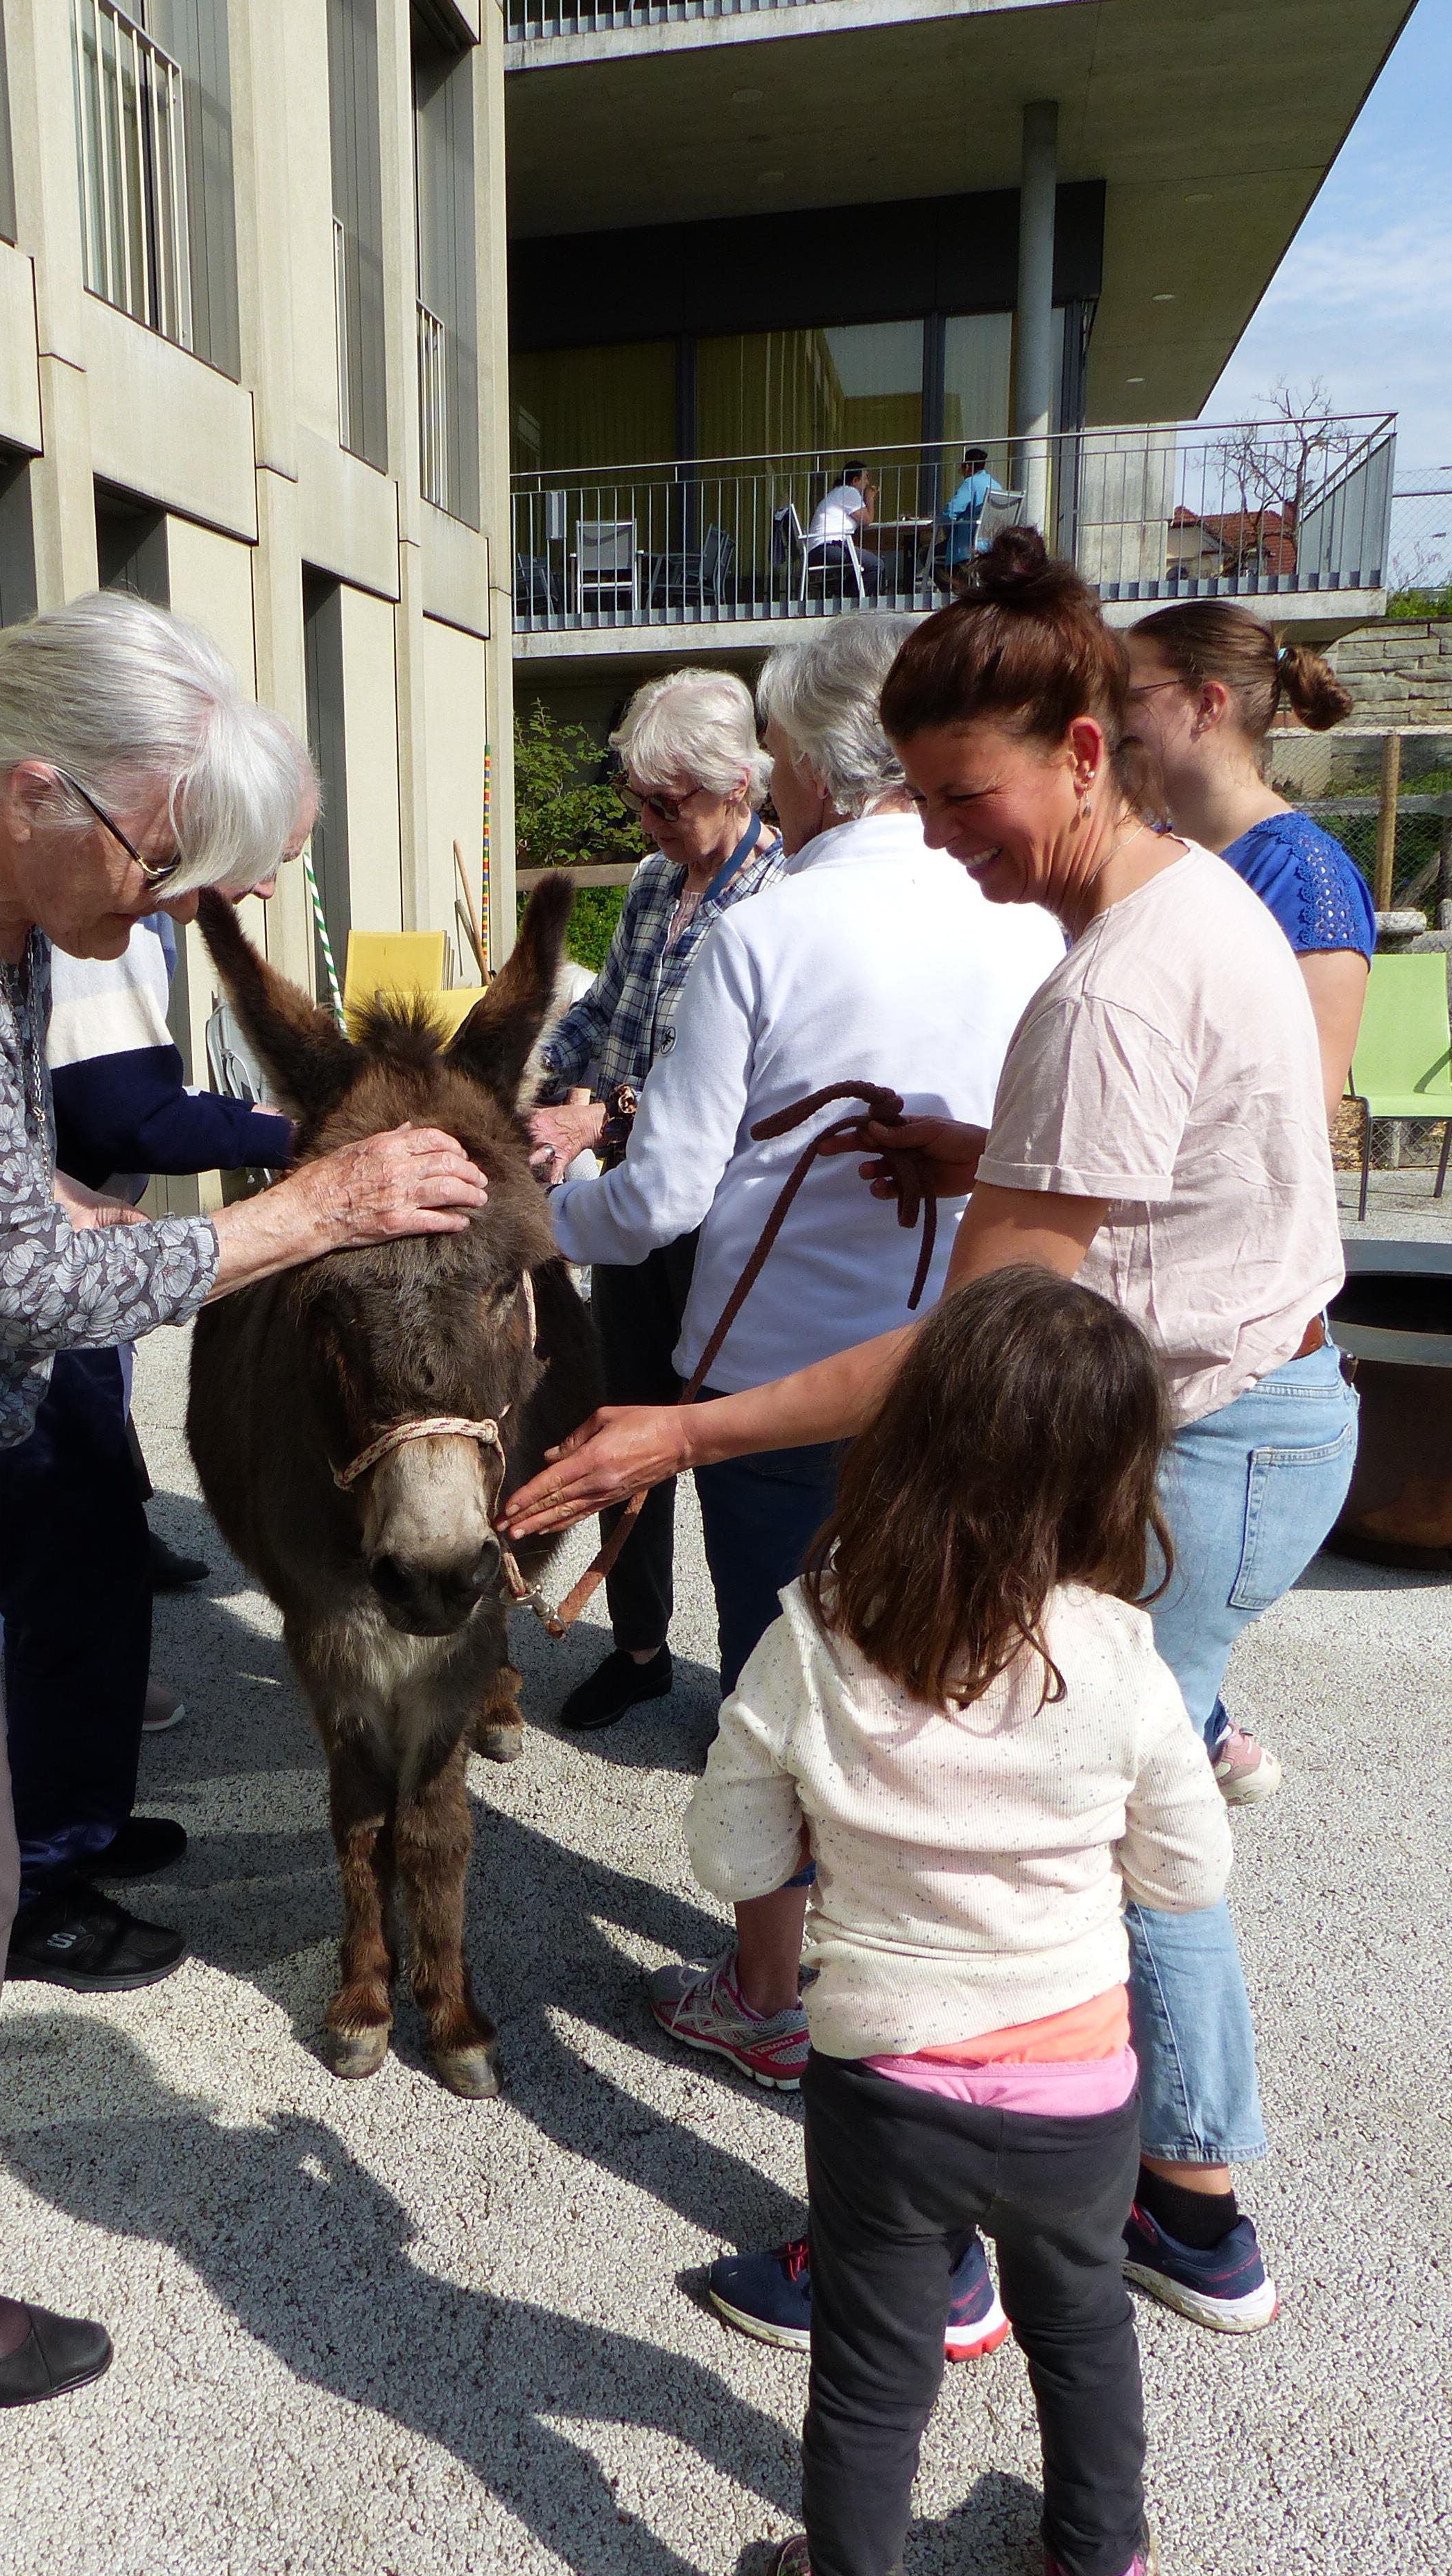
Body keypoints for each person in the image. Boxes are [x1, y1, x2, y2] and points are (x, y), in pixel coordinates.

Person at [506, 530, 1358, 2334]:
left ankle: (932, 2254)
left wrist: (684, 1431)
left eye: (962, 796)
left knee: (954, 1855)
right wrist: (988, 1162)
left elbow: (967, 1347)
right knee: (1066, 1828)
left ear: (1083, 751)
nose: (939, 836)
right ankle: (1154, 2206)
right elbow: (1165, 1181)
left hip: (1183, 1442)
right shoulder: (1192, 901)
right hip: (1245, 1418)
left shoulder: (1106, 985)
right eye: (916, 791)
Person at [0, 594, 488, 2410]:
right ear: (40, 788)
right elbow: (27, 1301)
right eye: (153, 865)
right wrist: (312, 1208)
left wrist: (87, 1215)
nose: (157, 914)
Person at [546, 616, 1061, 2094]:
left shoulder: (765, 930)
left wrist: (545, 1213)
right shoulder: (1023, 920)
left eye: (773, 754)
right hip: (962, 1369)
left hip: (774, 1378)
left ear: (816, 762)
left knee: (784, 1693)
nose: (770, 785)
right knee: (921, 1683)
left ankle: (772, 1989)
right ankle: (922, 1975)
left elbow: (660, 1200)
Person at [709, 1267, 1231, 2576]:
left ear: (913, 1429)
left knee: (874, 2380)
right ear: (1118, 1474)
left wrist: (831, 1820)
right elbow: (1188, 1872)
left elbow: (729, 1841)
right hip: (1075, 2087)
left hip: (886, 2082)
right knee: (1083, 2329)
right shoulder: (1121, 1653)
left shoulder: (816, 1624)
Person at [0, 908, 295, 1993]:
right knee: (64, 1578)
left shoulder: (99, 921)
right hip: (46, 1297)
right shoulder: (82, 925)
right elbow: (128, 1114)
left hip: (76, 1265)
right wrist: (293, 1144)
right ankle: (31, 1886)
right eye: (261, 850)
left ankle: (80, 1821)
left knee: (103, 1557)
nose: (262, 887)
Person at [1122, 605, 1369, 1808]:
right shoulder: (1175, 849)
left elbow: (1295, 1118)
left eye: (1134, 690)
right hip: (1162, 1338)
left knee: (1139, 1747)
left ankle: (1198, 1733)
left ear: (1205, 706)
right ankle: (1207, 1725)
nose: (1113, 717)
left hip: (1232, 1343)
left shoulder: (1303, 873)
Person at [525, 669, 784, 1736]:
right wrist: (528, 1083)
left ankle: (750, 1681)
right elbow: (602, 1023)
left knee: (721, 1444)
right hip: (635, 1205)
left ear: (735, 784)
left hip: (727, 1215)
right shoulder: (648, 882)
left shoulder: (780, 898)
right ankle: (637, 1650)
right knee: (617, 1416)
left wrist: (600, 1119)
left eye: (665, 803)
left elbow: (715, 1078)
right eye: (639, 801)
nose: (647, 822)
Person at [806, 464, 883, 598]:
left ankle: (840, 596)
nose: (867, 483)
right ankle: (851, 601)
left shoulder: (838, 492)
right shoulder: (849, 492)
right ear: (855, 481)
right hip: (827, 547)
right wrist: (870, 498)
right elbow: (867, 519)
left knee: (865, 563)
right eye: (865, 478)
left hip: (818, 549)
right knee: (876, 565)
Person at [938, 445, 993, 573]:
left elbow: (949, 513)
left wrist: (948, 532)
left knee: (925, 555)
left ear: (967, 467)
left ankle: (953, 590)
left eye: (962, 468)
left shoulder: (970, 483)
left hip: (966, 546)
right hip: (989, 545)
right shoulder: (996, 485)